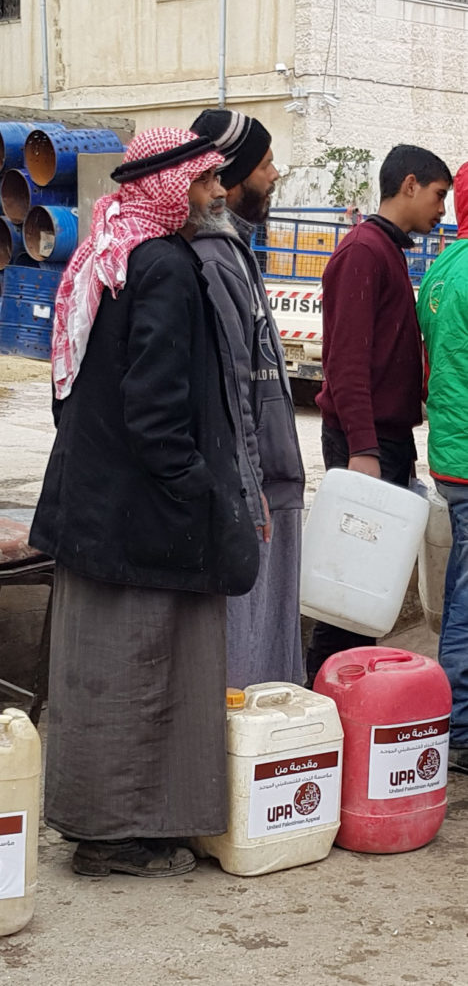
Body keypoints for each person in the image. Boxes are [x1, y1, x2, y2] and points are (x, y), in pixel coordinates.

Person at [30, 127, 259, 878]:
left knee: (112, 672)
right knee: (136, 674)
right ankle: (112, 836)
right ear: (172, 186)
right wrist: (197, 488)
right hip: (143, 517)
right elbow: (156, 411)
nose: (217, 193)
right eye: (204, 181)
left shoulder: (119, 252)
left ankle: (120, 827)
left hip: (108, 505)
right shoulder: (161, 265)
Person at [306, 143, 452, 685]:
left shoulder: (387, 249)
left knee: (367, 593)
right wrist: (364, 449)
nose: (442, 210)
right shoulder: (363, 252)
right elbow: (345, 362)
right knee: (345, 596)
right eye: (439, 196)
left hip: (385, 441)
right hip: (362, 444)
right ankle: (322, 704)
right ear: (409, 185)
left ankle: (347, 707)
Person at [189, 109, 305, 687]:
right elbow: (233, 387)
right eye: (264, 164)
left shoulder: (234, 250)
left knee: (266, 644)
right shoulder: (211, 260)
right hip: (248, 489)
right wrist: (251, 483)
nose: (275, 174)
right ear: (227, 177)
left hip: (266, 482)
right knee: (242, 657)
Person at [416, 160, 468, 771]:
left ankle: (451, 720)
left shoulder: (444, 266)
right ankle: (458, 730)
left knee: (460, 591)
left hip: (452, 458)